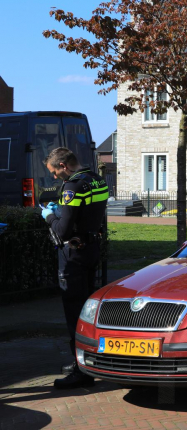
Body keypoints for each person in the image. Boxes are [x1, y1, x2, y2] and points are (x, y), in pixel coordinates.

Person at [41, 147, 108, 389]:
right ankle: (89, 361)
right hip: (91, 248)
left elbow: (62, 231)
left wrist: (49, 215)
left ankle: (81, 371)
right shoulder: (97, 180)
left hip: (74, 254)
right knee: (89, 311)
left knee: (75, 312)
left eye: (54, 172)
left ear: (64, 166)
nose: (54, 178)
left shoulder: (72, 187)